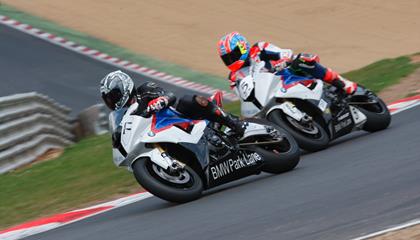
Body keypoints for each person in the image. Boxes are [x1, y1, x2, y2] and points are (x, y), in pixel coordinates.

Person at [100, 70, 244, 149]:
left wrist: (159, 102)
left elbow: (168, 95)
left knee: (187, 101)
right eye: (108, 100)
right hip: (158, 136)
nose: (112, 102)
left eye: (113, 96)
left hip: (180, 119)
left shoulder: (144, 90)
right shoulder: (125, 117)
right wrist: (116, 137)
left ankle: (233, 122)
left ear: (124, 88)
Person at [217, 31, 358, 95]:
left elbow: (284, 53)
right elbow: (244, 96)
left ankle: (342, 82)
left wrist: (283, 62)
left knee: (302, 59)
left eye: (233, 55)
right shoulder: (234, 78)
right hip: (267, 95)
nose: (231, 60)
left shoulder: (259, 48)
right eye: (227, 58)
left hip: (286, 75)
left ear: (242, 47)